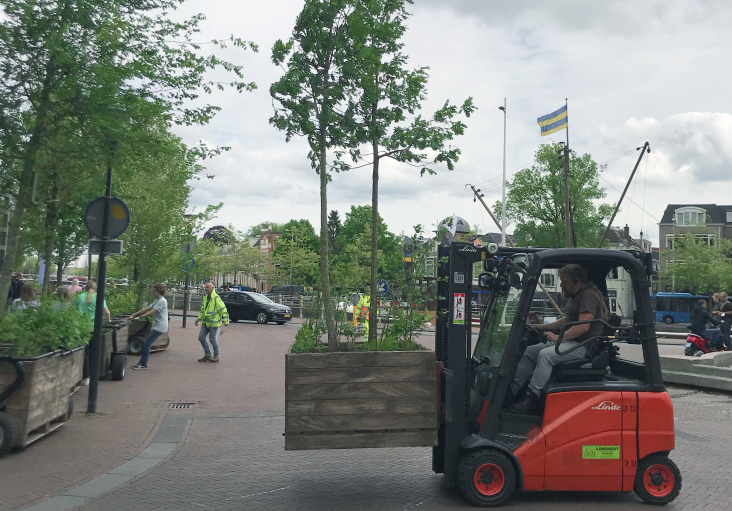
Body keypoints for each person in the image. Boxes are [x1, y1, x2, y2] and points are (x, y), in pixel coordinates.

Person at [509, 264, 608, 415]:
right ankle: (511, 391)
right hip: (572, 343)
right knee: (530, 352)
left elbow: (583, 327)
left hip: (584, 346)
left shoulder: (588, 296)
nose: (561, 284)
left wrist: (556, 337)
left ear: (577, 282)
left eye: (564, 281)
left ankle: (531, 398)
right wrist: (542, 327)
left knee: (546, 355)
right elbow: (567, 321)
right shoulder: (575, 297)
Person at [75, 280, 111, 386]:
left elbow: (75, 310)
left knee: (85, 352)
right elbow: (107, 312)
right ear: (95, 288)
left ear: (85, 287)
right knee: (95, 351)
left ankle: (85, 376)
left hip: (82, 328)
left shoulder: (79, 297)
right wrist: (108, 320)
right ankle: (94, 374)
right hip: (95, 328)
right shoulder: (99, 297)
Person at [129, 283, 169, 370]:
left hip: (161, 326)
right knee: (147, 343)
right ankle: (141, 364)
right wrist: (134, 315)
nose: (152, 292)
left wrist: (140, 317)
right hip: (159, 325)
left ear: (158, 291)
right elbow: (146, 309)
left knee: (147, 343)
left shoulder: (162, 301)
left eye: (154, 290)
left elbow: (152, 312)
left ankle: (143, 365)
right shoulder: (157, 300)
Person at [195, 282, 229, 362]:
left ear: (212, 288)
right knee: (201, 337)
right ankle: (208, 354)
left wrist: (226, 321)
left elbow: (223, 309)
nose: (206, 288)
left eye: (207, 287)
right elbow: (203, 310)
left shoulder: (216, 298)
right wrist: (198, 319)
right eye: (205, 287)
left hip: (213, 323)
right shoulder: (206, 297)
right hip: (206, 322)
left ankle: (216, 356)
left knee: (212, 339)